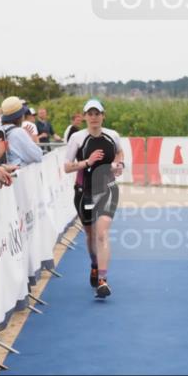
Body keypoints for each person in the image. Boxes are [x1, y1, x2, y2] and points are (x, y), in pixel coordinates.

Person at [64, 99, 124, 299]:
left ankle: (103, 281)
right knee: (90, 235)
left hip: (107, 190)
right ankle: (94, 265)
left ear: (103, 115)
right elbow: (66, 167)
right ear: (84, 117)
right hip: (84, 192)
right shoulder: (77, 139)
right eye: (90, 114)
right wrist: (87, 162)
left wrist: (119, 164)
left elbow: (119, 152)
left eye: (97, 113)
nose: (94, 117)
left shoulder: (112, 135)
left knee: (101, 234)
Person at [0, 96, 43, 167]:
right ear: (20, 116)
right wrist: (30, 139)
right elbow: (38, 156)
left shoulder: (1, 129)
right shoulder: (18, 132)